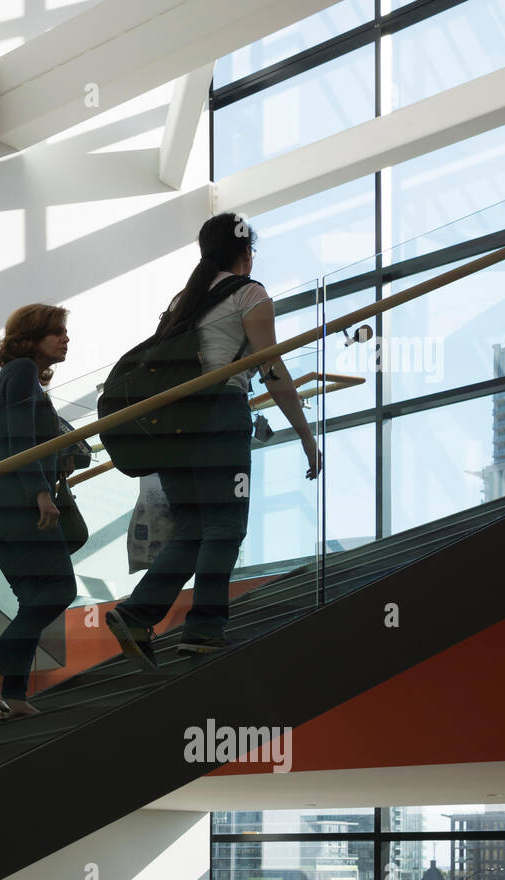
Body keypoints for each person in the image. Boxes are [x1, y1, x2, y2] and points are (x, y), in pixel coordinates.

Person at [106, 213, 321, 668]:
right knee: (225, 525)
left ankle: (138, 614)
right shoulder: (250, 292)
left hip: (173, 422)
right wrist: (305, 434)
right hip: (219, 416)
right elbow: (273, 370)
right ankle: (203, 630)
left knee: (193, 529)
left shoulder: (182, 299)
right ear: (246, 252)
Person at [0, 304, 79, 718]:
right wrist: (39, 491)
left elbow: (20, 436)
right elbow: (19, 439)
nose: (66, 339)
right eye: (57, 332)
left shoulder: (13, 378)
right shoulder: (22, 372)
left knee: (34, 595)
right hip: (16, 504)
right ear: (31, 338)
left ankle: (13, 694)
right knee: (60, 590)